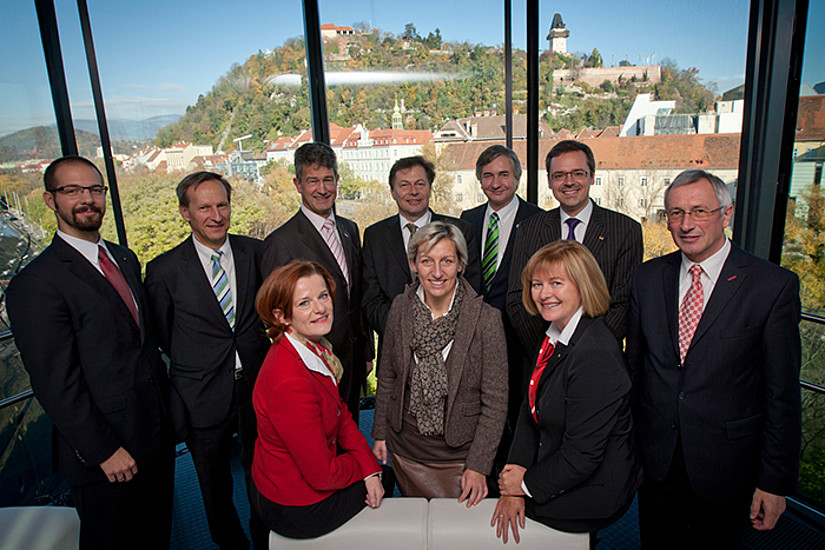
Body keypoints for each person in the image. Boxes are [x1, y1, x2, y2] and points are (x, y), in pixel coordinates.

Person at [626, 169, 801, 548]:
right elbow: (635, 373)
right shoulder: (646, 279)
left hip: (728, 466)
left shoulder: (772, 286)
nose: (686, 224)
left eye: (699, 211)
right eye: (675, 213)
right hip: (656, 464)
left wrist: (774, 482)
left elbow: (782, 395)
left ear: (726, 214)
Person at [6, 156, 174, 549]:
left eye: (95, 190)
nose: (87, 199)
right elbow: (55, 383)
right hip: (106, 457)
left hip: (154, 439)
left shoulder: (124, 259)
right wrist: (104, 451)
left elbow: (142, 348)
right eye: (73, 190)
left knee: (156, 538)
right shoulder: (36, 284)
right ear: (51, 200)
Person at [145, 171, 270, 550]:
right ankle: (231, 545)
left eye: (222, 205)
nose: (216, 215)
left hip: (257, 385)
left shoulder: (256, 252)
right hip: (200, 394)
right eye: (204, 207)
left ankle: (266, 539)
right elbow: (163, 335)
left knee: (262, 474)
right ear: (185, 212)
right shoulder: (164, 270)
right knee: (215, 487)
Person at [492, 240, 641, 547]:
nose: (544, 294)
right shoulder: (555, 334)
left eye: (556, 283)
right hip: (560, 461)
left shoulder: (595, 352)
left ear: (582, 285)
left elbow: (582, 457)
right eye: (537, 284)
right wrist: (515, 471)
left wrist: (523, 485)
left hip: (594, 486)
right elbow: (528, 409)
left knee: (497, 507)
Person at [372, 221, 507, 505]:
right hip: (405, 448)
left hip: (459, 457)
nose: (436, 272)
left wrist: (479, 465)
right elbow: (387, 377)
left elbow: (495, 403)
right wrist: (380, 434)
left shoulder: (485, 319)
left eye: (446, 261)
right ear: (414, 264)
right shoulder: (400, 307)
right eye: (426, 261)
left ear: (460, 264)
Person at [250, 260, 384, 538]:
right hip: (295, 505)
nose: (321, 308)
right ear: (281, 316)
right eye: (304, 303)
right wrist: (364, 467)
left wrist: (369, 466)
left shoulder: (310, 348)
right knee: (388, 478)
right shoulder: (289, 380)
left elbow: (341, 415)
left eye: (323, 296)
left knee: (376, 472)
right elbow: (323, 475)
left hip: (299, 477)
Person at [261, 142, 372, 421]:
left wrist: (366, 351)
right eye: (313, 181)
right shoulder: (280, 243)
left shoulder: (349, 228)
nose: (322, 189)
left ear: (337, 180)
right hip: (311, 366)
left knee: (351, 433)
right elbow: (277, 318)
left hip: (352, 358)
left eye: (328, 180)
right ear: (298, 184)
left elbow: (356, 296)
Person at [506, 140, 642, 368]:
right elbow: (516, 299)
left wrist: (585, 352)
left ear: (592, 175)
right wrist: (550, 351)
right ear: (549, 181)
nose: (569, 182)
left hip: (599, 362)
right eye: (559, 175)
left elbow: (623, 303)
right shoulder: (529, 229)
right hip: (541, 359)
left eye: (578, 173)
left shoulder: (624, 230)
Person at [362, 156, 482, 359]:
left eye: (420, 184)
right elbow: (371, 300)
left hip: (452, 352)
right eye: (404, 185)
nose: (413, 192)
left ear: (430, 187)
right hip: (395, 352)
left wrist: (438, 333)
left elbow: (472, 293)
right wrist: (404, 331)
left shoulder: (460, 231)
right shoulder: (375, 236)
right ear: (392, 192)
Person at [460, 145, 542, 434]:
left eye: (504, 174)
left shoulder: (538, 220)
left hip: (523, 339)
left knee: (522, 414)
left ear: (517, 179)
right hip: (477, 338)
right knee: (481, 413)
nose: (496, 183)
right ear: (480, 180)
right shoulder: (466, 220)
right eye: (488, 175)